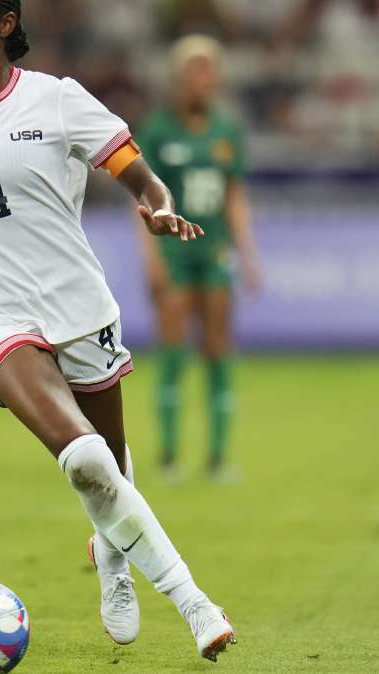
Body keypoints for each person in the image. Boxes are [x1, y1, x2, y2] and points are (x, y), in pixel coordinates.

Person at [0, 0, 236, 662]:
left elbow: (137, 172)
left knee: (112, 468)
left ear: (5, 24)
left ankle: (114, 562)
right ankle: (195, 604)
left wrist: (157, 205)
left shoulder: (56, 100)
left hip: (79, 310)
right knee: (86, 459)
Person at [137, 36, 261, 483]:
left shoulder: (226, 132)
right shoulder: (157, 130)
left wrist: (249, 256)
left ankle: (218, 457)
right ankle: (170, 455)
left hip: (215, 251)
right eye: (196, 69)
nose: (204, 79)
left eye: (210, 70)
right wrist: (150, 256)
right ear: (179, 76)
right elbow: (144, 201)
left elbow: (234, 197)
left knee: (217, 346)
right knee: (172, 348)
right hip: (173, 250)